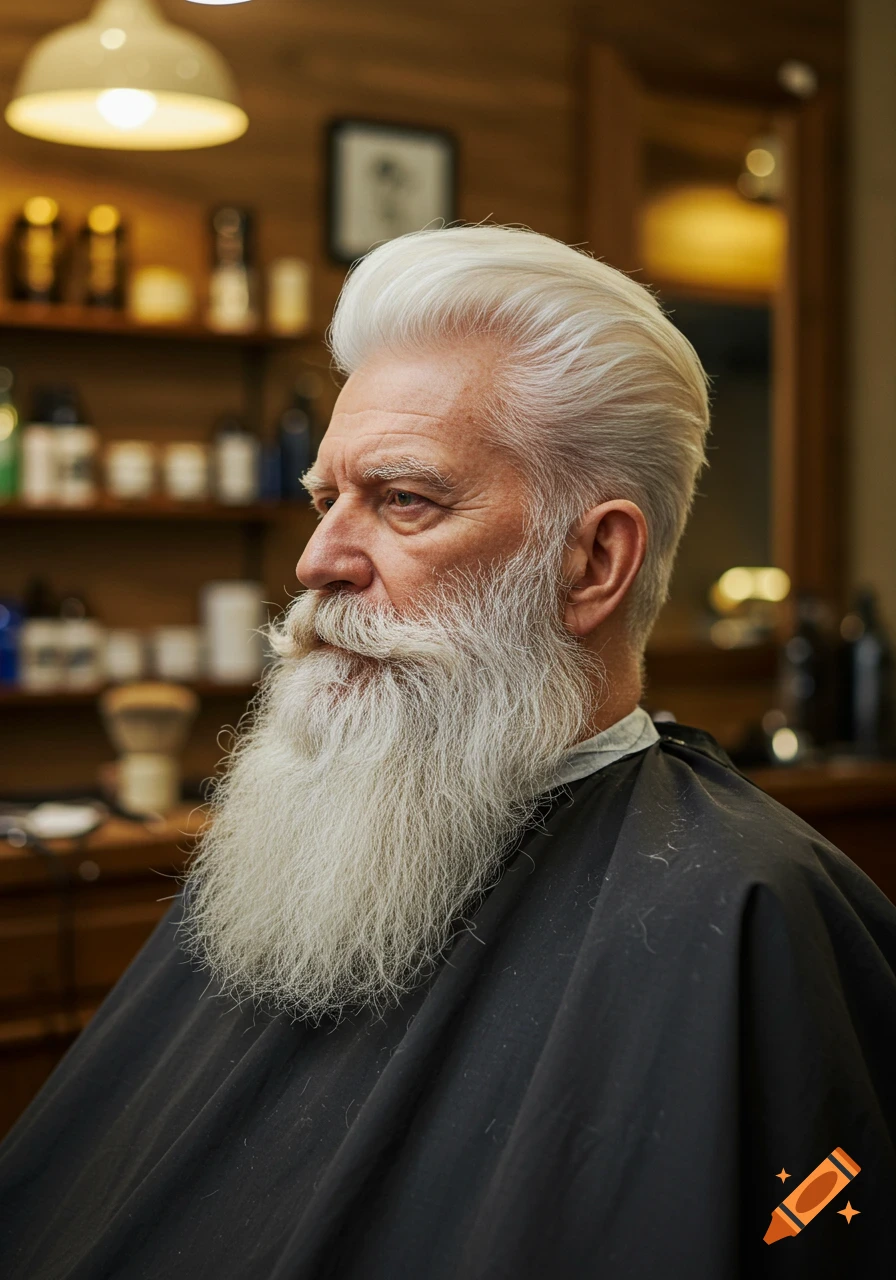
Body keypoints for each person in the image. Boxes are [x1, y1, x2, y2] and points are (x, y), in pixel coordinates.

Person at [1, 226, 894, 1279]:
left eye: (403, 499)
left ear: (593, 559)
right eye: (325, 498)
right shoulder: (299, 860)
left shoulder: (748, 912)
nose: (317, 559)